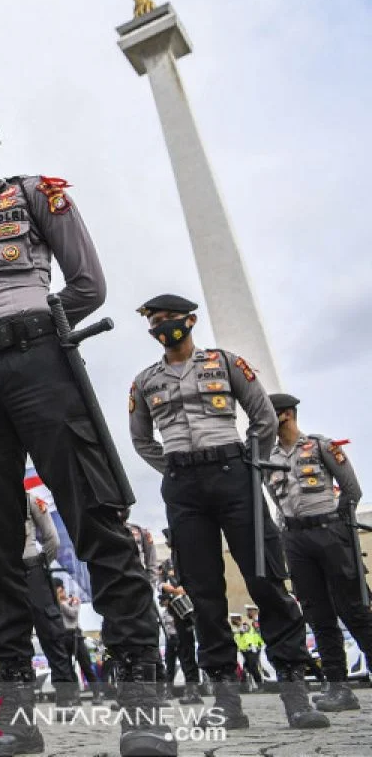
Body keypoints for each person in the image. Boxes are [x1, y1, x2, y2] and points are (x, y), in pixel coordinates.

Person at [0, 112, 172, 757]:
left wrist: (35, 327)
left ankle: (142, 711)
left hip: (42, 364)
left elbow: (88, 284)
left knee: (96, 519)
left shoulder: (34, 196)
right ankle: (15, 718)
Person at [130, 294, 328, 731]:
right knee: (203, 593)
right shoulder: (144, 381)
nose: (163, 326)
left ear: (190, 320)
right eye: (156, 321)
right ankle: (225, 702)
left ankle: (295, 693)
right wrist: (177, 469)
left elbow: (263, 417)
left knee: (265, 579)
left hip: (233, 473)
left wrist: (247, 465)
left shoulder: (226, 362)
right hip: (183, 486)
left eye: (170, 318)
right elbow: (142, 440)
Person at [267, 393, 371, 713]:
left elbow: (351, 491)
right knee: (318, 615)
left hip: (329, 532)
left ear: (285, 414)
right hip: (295, 539)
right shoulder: (268, 458)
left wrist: (336, 527)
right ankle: (338, 688)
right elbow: (276, 499)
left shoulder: (321, 446)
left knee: (354, 610)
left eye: (269, 414)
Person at [24, 494, 78, 714]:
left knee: (14, 637)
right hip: (32, 570)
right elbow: (52, 539)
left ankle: (20, 704)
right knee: (52, 636)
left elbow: (53, 541)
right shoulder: (28, 499)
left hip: (13, 571)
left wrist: (40, 566)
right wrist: (38, 566)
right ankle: (65, 700)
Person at [156, 536, 202, 705]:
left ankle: (199, 689)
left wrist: (186, 589)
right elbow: (160, 584)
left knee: (193, 651)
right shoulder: (167, 564)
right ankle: (191, 690)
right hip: (178, 610)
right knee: (184, 652)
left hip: (195, 607)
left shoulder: (192, 559)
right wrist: (172, 590)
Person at [54, 579, 103, 705]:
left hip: (76, 636)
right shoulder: (55, 604)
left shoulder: (72, 601)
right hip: (63, 637)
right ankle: (75, 696)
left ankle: (97, 694)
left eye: (58, 589)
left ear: (62, 589)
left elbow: (73, 614)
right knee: (68, 669)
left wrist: (61, 603)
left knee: (86, 666)